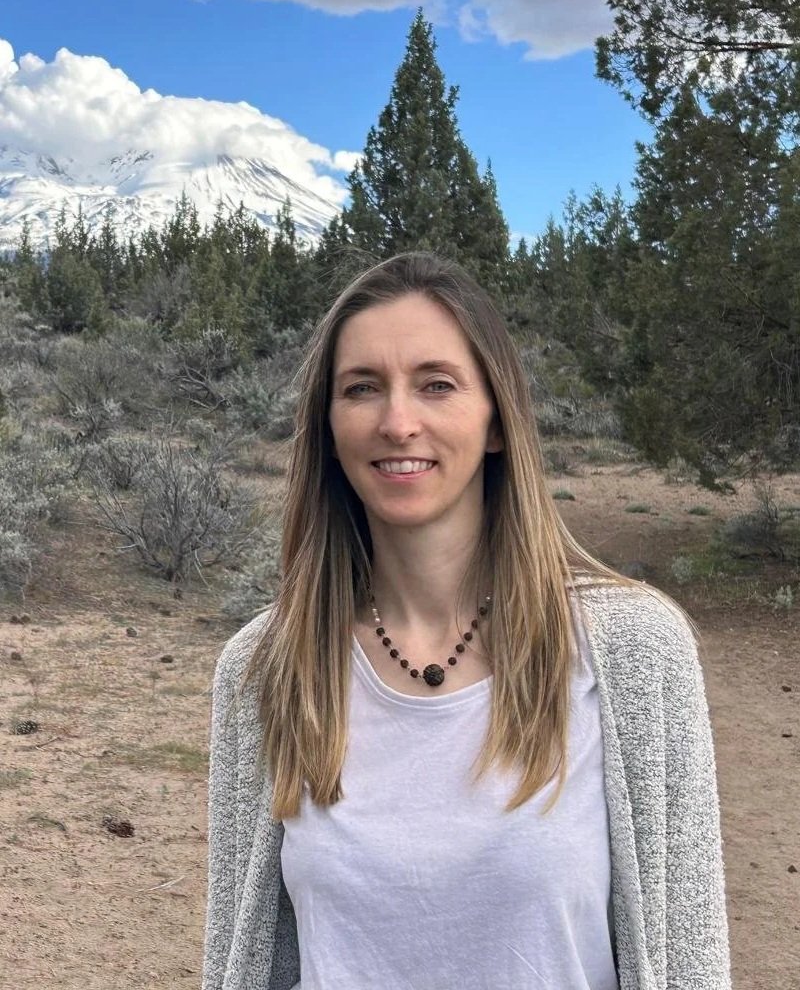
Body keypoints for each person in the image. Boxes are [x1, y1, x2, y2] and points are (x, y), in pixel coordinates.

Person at [201, 251, 731, 990]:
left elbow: (688, 958)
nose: (396, 421)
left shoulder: (633, 651)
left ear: (495, 421)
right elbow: (237, 952)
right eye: (361, 389)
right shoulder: (264, 668)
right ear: (328, 427)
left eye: (436, 385)